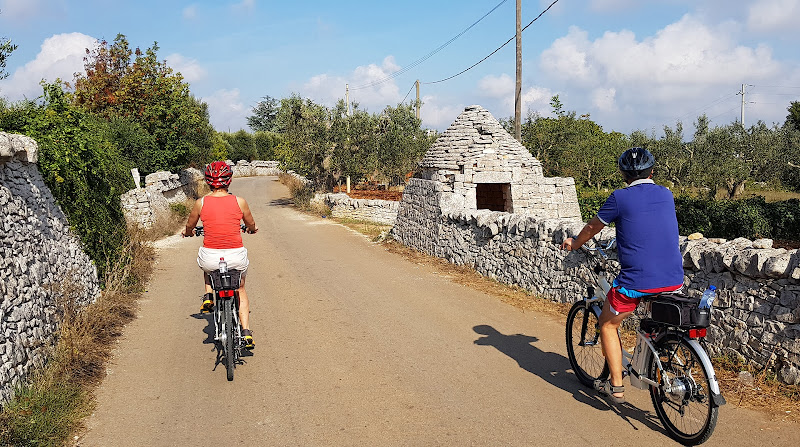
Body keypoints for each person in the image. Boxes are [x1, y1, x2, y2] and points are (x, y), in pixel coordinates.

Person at [560, 147, 684, 403]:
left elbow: (593, 226)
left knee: (608, 323)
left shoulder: (619, 197)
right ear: (652, 171)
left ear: (624, 174)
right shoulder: (666, 194)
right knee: (653, 322)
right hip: (673, 278)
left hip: (637, 280)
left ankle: (616, 385)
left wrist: (574, 243)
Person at [183, 161, 259, 349]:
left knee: (207, 268)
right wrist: (251, 229)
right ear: (229, 181)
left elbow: (190, 226)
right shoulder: (239, 201)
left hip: (211, 257)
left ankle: (209, 294)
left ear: (208, 182)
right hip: (235, 256)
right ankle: (246, 331)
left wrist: (188, 232)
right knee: (240, 288)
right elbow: (250, 224)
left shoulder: (201, 203)